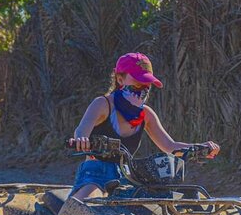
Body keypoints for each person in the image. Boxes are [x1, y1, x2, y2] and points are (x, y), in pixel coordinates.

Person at [69, 52, 220, 199]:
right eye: (137, 84)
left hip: (128, 178)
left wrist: (199, 147)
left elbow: (169, 146)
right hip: (95, 175)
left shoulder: (146, 115)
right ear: (120, 79)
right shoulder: (103, 104)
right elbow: (81, 129)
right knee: (86, 202)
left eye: (146, 85)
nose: (143, 90)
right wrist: (82, 140)